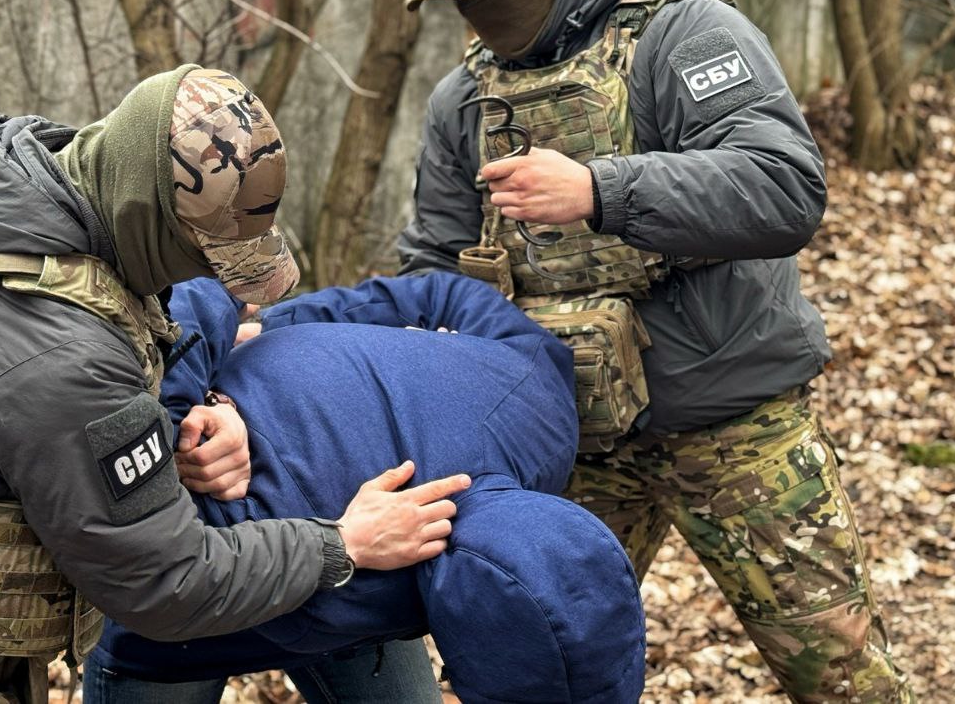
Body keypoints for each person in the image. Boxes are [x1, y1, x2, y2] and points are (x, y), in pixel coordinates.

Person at [0, 66, 466, 703]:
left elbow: (44, 397)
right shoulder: (58, 356)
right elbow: (167, 581)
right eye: (202, 256)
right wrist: (344, 542)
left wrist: (193, 410)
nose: (207, 278)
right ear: (148, 213)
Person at [397, 0, 913, 701]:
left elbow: (786, 187)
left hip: (732, 425)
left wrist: (599, 190)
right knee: (534, 675)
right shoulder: (465, 98)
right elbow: (431, 260)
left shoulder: (684, 33)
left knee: (846, 680)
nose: (480, 13)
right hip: (569, 434)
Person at [89, 273, 646, 704]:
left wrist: (268, 337)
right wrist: (193, 414)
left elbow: (445, 294)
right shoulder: (326, 597)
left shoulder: (541, 412)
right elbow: (163, 569)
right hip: (182, 617)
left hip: (317, 571)